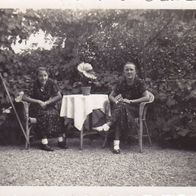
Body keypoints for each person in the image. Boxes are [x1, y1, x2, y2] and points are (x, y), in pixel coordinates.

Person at [94, 62, 150, 154]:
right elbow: (111, 96)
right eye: (127, 69)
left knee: (121, 109)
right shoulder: (121, 82)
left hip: (135, 110)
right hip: (122, 109)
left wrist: (131, 101)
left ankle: (109, 127)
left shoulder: (139, 82)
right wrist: (116, 101)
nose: (129, 71)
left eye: (131, 69)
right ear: (124, 72)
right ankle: (116, 145)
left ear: (135, 71)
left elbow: (147, 97)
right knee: (121, 110)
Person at [22, 67, 67, 151]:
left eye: (45, 75)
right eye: (40, 76)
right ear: (37, 76)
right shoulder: (33, 84)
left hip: (48, 105)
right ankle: (44, 142)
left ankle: (60, 140)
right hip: (35, 107)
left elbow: (59, 96)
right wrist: (38, 101)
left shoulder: (51, 83)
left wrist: (47, 102)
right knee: (44, 115)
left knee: (57, 114)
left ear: (48, 75)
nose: (43, 78)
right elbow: (24, 97)